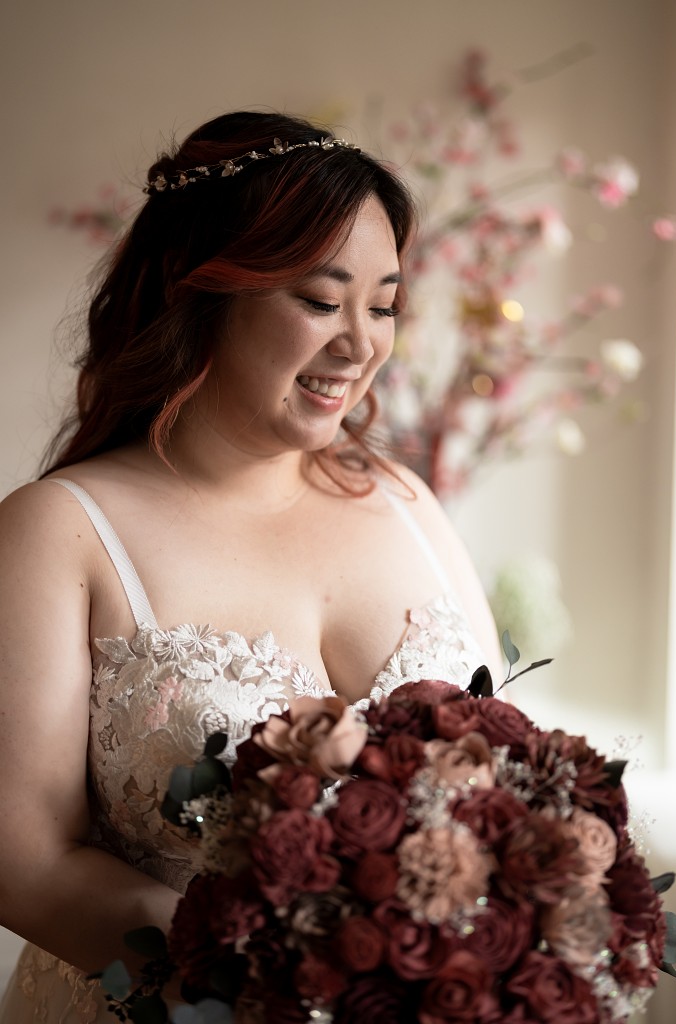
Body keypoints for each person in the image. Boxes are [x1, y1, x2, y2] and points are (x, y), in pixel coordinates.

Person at [0, 110, 503, 1022]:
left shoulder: (406, 501)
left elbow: (505, 779)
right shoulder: (58, 534)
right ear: (204, 292)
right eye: (321, 301)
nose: (361, 345)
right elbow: (23, 863)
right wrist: (282, 980)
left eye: (383, 304)